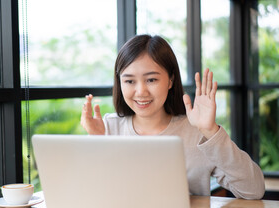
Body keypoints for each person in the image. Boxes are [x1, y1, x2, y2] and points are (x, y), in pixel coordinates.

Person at [80, 34, 265, 199]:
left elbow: (253, 190)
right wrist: (96, 142)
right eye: (129, 81)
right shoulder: (108, 128)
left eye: (151, 79)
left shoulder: (196, 132)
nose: (140, 91)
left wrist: (211, 131)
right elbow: (88, 195)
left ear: (171, 80)